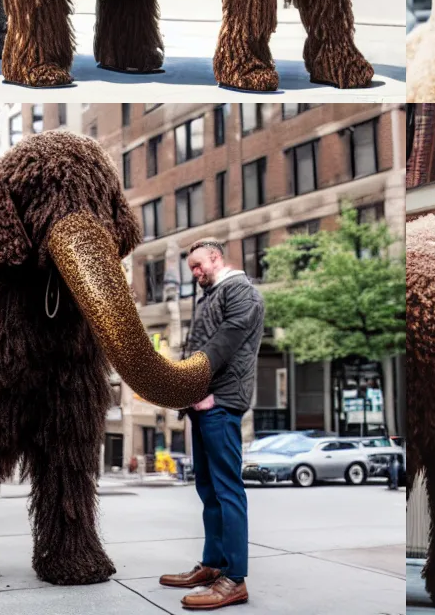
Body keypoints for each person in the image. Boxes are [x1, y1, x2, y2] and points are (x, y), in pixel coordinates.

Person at [159, 238, 265, 611]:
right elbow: (205, 346)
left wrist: (210, 394)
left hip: (220, 404)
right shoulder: (213, 294)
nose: (195, 273)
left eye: (198, 266)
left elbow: (227, 343)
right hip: (202, 404)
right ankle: (214, 565)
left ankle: (234, 579)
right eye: (191, 269)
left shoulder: (240, 291)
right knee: (207, 487)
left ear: (216, 258)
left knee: (227, 489)